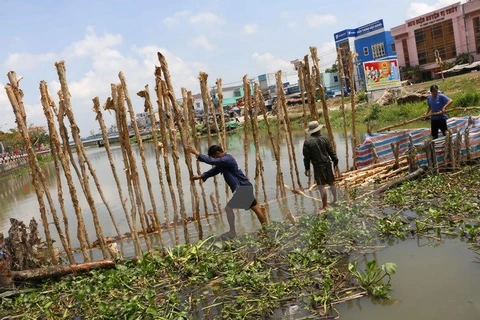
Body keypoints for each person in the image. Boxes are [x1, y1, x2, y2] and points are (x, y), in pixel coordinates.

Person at [186, 144, 268, 239]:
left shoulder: (227, 159)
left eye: (214, 157)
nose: (214, 160)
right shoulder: (223, 162)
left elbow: (211, 161)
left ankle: (234, 232)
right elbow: (214, 170)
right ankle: (265, 228)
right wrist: (201, 176)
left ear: (218, 153)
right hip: (244, 187)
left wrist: (196, 152)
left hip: (242, 188)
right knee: (256, 208)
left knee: (230, 209)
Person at [303, 121, 338, 214]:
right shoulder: (325, 138)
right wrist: (335, 161)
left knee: (321, 186)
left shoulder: (307, 142)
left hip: (318, 166)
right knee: (331, 182)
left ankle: (324, 206)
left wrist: (307, 168)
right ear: (318, 129)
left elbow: (306, 158)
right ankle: (335, 200)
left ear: (311, 131)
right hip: (327, 164)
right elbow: (331, 151)